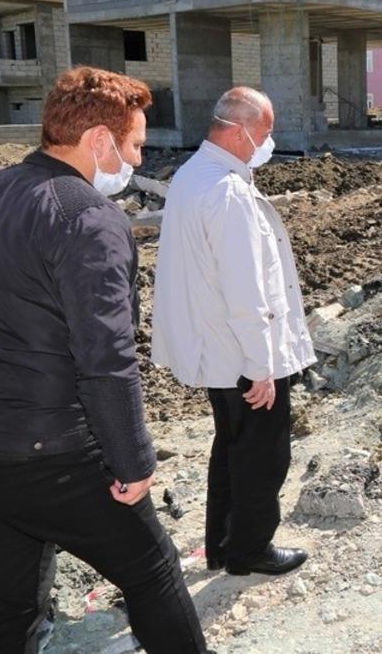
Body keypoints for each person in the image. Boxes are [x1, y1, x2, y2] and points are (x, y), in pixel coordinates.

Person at [0, 67, 209, 653]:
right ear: (99, 141)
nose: (138, 157)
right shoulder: (88, 218)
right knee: (152, 571)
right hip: (53, 447)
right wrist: (132, 461)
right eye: (135, 144)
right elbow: (106, 357)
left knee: (5, 605)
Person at [152, 87, 314, 577]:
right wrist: (262, 368)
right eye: (264, 133)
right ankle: (249, 550)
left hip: (217, 353)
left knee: (230, 449)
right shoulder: (226, 193)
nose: (267, 142)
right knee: (263, 457)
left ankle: (222, 546)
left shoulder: (191, 175)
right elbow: (247, 292)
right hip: (243, 355)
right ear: (239, 129)